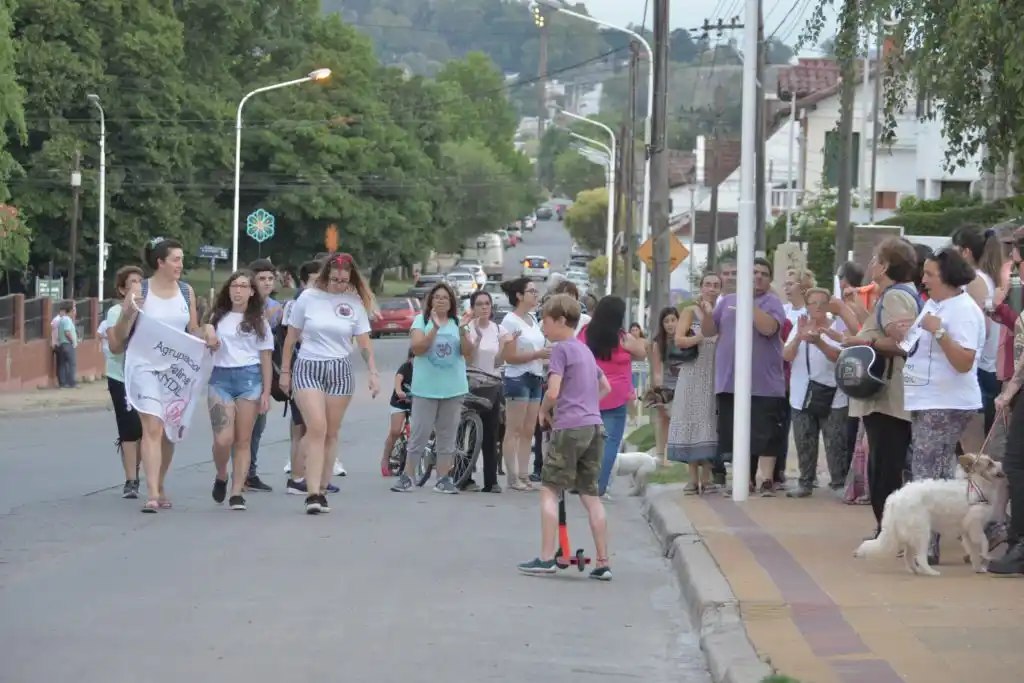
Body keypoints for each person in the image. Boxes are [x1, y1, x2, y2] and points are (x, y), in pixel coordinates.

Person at [107, 238, 216, 513]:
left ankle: (161, 482)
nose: (181, 264)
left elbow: (191, 330)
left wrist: (208, 331)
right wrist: (129, 312)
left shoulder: (186, 291)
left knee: (168, 432)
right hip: (143, 366)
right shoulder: (140, 291)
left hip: (174, 371)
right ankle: (152, 492)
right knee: (152, 426)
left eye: (181, 259)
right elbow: (116, 342)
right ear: (160, 262)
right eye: (176, 259)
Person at [518, 294, 612, 580]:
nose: (543, 326)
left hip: (570, 428)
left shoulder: (560, 350)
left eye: (545, 321)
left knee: (549, 489)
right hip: (594, 427)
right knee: (590, 494)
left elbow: (554, 390)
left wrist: (544, 411)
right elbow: (605, 386)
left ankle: (547, 556)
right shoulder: (585, 350)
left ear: (560, 321)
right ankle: (603, 562)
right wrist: (587, 404)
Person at [900, 247, 985, 564]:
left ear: (948, 278)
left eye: (930, 275)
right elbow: (910, 344)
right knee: (938, 472)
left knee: (925, 473)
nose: (923, 281)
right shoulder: (935, 304)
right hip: (927, 398)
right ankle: (973, 532)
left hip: (946, 402)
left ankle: (927, 545)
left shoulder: (962, 310)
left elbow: (964, 361)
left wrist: (940, 332)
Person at [279, 253, 380, 514]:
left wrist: (372, 372)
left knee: (331, 432)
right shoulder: (308, 298)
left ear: (351, 278)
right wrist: (285, 372)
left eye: (344, 280)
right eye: (334, 278)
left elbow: (364, 342)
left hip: (339, 369)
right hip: (309, 365)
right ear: (326, 275)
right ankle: (312, 493)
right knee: (317, 427)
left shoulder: (354, 302)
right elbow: (291, 338)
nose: (338, 283)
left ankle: (322, 488)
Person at [841, 237, 922, 538]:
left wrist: (863, 342)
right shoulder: (891, 296)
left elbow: (903, 342)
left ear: (886, 265)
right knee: (884, 463)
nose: (871, 265)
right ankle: (888, 528)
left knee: (885, 466)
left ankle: (889, 530)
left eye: (876, 259)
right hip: (887, 395)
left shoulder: (895, 297)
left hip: (889, 395)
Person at [700, 257, 787, 496]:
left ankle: (767, 479)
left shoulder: (772, 302)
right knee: (735, 433)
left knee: (765, 433)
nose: (758, 277)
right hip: (730, 381)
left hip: (763, 383)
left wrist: (749, 304)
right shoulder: (727, 301)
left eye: (764, 274)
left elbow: (769, 328)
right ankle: (743, 479)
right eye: (754, 272)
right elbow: (710, 331)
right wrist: (707, 314)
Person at [391, 280, 471, 494]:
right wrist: (434, 329)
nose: (441, 300)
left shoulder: (458, 323)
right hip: (426, 388)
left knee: (447, 436)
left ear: (452, 301)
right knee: (420, 433)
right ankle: (407, 476)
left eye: (445, 297)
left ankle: (443, 478)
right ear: (430, 301)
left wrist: (463, 330)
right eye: (437, 297)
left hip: (453, 389)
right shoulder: (421, 321)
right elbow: (417, 349)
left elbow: (468, 353)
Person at [204, 270, 274, 511]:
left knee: (243, 440)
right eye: (234, 285)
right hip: (220, 378)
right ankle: (222, 474)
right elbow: (200, 336)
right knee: (223, 439)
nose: (238, 290)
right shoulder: (217, 317)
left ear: (251, 292)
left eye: (244, 286)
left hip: (249, 379)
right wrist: (209, 335)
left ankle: (236, 492)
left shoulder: (258, 320)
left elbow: (265, 357)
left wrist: (266, 392)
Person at [580, 295, 647, 498]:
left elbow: (577, 355)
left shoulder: (585, 333)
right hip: (616, 394)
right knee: (610, 443)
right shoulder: (623, 338)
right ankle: (599, 486)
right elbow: (642, 353)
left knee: (588, 441)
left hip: (591, 391)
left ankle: (583, 481)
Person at [282, 260, 339, 495]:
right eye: (315, 280)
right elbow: (290, 340)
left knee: (320, 426)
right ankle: (297, 477)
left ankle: (316, 475)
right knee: (302, 427)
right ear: (304, 282)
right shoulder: (297, 305)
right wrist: (286, 371)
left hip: (325, 371)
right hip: (302, 370)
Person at [783, 288, 847, 497]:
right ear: (807, 305)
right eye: (813, 303)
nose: (817, 308)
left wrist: (818, 341)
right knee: (804, 439)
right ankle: (806, 481)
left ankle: (839, 482)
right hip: (802, 394)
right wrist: (799, 338)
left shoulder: (836, 328)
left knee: (835, 441)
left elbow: (838, 356)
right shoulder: (799, 326)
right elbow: (787, 355)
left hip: (832, 395)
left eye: (822, 303)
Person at [667, 272, 722, 490]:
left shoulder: (722, 312)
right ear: (701, 287)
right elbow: (679, 340)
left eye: (716, 285)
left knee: (710, 420)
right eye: (708, 284)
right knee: (690, 418)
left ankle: (707, 476)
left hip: (714, 371)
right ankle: (692, 478)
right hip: (693, 371)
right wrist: (700, 337)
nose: (711, 288)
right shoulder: (690, 311)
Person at [951, 226, 1005, 436]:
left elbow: (982, 324)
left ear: (965, 252)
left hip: (982, 366)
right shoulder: (978, 278)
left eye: (954, 249)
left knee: (974, 434)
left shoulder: (975, 279)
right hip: (982, 364)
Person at [498, 277, 548, 491]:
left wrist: (543, 357)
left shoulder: (532, 319)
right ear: (519, 295)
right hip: (518, 377)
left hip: (535, 376)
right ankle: (512, 476)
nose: (535, 295)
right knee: (514, 428)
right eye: (531, 291)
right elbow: (509, 356)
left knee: (529, 429)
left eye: (536, 292)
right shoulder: (509, 321)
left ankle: (524, 474)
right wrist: (537, 353)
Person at [100, 266, 145, 498]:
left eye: (141, 281)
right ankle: (131, 479)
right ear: (122, 289)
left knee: (145, 429)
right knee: (130, 428)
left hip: (147, 377)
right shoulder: (115, 312)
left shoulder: (153, 312)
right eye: (132, 283)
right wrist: (130, 313)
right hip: (121, 376)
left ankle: (141, 470)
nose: (138, 286)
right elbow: (116, 347)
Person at [243, 259, 284, 492]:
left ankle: (250, 471)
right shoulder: (241, 304)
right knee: (241, 427)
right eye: (262, 278)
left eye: (270, 278)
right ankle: (240, 470)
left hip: (264, 370)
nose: (267, 283)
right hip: (241, 369)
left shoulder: (276, 307)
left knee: (257, 426)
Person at [462, 290, 508, 493]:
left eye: (487, 304)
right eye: (479, 304)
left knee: (491, 433)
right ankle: (465, 477)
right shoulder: (467, 329)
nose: (484, 307)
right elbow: (467, 359)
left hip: (493, 384)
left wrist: (504, 345)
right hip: (471, 383)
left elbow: (499, 361)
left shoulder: (499, 329)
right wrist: (477, 340)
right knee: (469, 431)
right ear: (473, 308)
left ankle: (491, 481)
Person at [650, 306, 686, 462]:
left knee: (681, 421)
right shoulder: (658, 343)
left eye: (673, 320)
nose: (670, 324)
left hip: (684, 385)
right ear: (662, 324)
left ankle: (680, 456)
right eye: (666, 321)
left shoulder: (685, 338)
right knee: (663, 418)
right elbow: (657, 370)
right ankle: (660, 455)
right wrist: (659, 394)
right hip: (666, 386)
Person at [381, 349, 414, 476]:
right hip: (399, 401)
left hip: (415, 402)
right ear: (410, 358)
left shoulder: (425, 370)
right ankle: (385, 459)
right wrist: (399, 390)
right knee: (395, 431)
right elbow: (398, 379)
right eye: (413, 358)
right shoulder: (405, 368)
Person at [54, 303, 78, 388]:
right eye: (74, 310)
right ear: (71, 311)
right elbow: (67, 332)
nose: (75, 312)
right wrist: (72, 340)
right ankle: (72, 382)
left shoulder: (62, 319)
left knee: (63, 364)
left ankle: (63, 383)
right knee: (72, 364)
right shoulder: (67, 319)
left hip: (62, 344)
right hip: (68, 344)